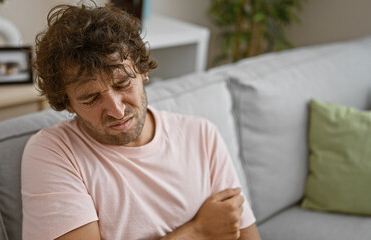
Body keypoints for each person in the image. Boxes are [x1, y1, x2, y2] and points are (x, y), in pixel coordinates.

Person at [21, 2, 261, 240]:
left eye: (123, 83)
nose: (116, 109)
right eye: (91, 98)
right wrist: (198, 231)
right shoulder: (53, 153)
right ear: (67, 104)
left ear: (143, 69)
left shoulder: (202, 135)